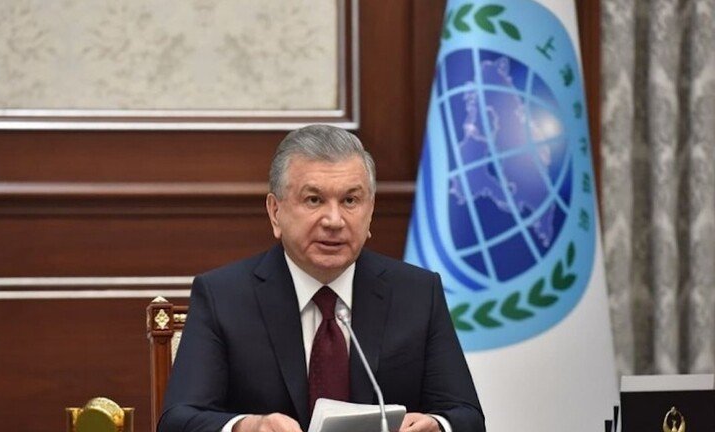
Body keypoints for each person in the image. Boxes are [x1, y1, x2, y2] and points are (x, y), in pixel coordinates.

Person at [159, 124, 485, 432]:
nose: (334, 220)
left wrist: (437, 425)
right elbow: (178, 419)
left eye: (350, 200)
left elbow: (466, 416)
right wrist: (247, 426)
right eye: (314, 200)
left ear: (370, 210)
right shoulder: (224, 296)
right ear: (275, 212)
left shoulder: (417, 293)